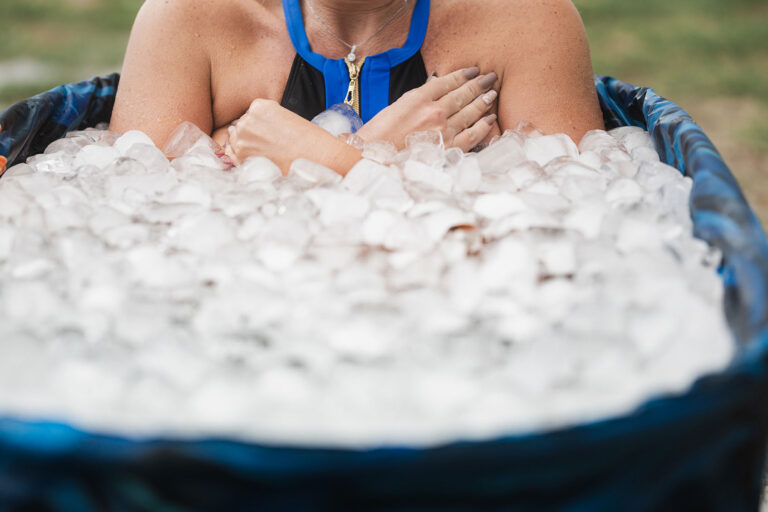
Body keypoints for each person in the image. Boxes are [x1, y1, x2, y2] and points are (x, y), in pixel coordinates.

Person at [110, 0, 604, 174]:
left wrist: (315, 160)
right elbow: (141, 235)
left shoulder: (525, 20)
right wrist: (376, 158)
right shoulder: (189, 20)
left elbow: (568, 229)